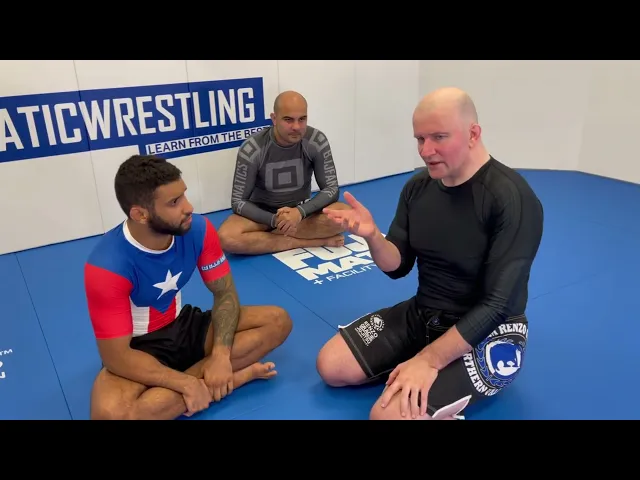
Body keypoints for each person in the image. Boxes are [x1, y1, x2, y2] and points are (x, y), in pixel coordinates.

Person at [315, 87, 544, 420]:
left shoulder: (512, 199)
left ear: (473, 134)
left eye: (438, 137)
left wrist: (428, 360)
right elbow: (398, 265)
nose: (426, 150)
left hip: (489, 332)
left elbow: (497, 306)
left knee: (386, 415)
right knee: (331, 366)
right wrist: (373, 237)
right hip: (425, 314)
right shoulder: (418, 188)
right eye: (420, 139)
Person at [84, 154, 293, 420]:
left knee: (277, 321)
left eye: (183, 195)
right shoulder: (107, 265)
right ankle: (228, 380)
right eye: (174, 202)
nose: (189, 207)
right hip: (138, 348)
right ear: (140, 214)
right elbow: (116, 357)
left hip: (184, 326)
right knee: (111, 416)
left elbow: (224, 293)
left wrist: (220, 355)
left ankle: (206, 382)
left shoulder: (198, 229)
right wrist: (186, 383)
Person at [217, 90, 350, 255]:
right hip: (262, 216)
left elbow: (331, 189)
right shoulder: (253, 148)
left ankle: (268, 239)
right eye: (288, 120)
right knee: (226, 237)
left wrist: (299, 212)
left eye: (302, 119)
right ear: (274, 119)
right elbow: (238, 202)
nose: (296, 127)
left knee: (346, 216)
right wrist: (275, 220)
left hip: (301, 214)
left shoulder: (316, 140)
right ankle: (307, 241)